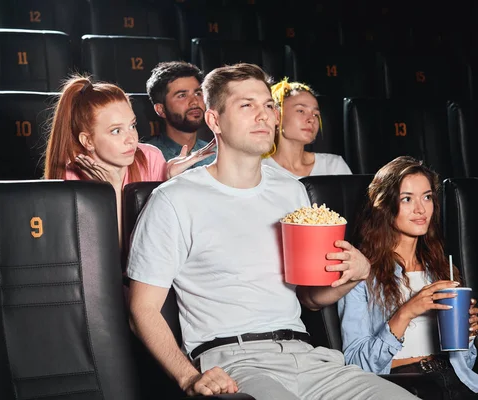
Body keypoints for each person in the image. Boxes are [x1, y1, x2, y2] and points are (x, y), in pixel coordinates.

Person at [127, 63, 416, 400]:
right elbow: (142, 310)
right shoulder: (174, 199)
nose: (263, 116)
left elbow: (309, 298)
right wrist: (189, 377)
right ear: (214, 120)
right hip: (233, 361)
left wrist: (353, 276)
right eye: (246, 105)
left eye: (268, 105)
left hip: (309, 357)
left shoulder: (291, 190)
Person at [338, 156, 478, 399]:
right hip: (404, 383)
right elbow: (356, 363)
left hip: (455, 379)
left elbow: (466, 361)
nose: (420, 209)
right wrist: (406, 312)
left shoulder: (443, 269)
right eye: (407, 199)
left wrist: (469, 335)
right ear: (383, 205)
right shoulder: (361, 274)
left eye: (427, 197)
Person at [44, 74, 213, 238]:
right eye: (116, 131)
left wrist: (169, 182)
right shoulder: (72, 174)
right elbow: (111, 255)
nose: (131, 139)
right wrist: (115, 190)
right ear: (87, 141)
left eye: (132, 125)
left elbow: (162, 241)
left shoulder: (151, 157)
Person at [262, 78, 351, 178]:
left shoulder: (333, 166)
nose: (311, 119)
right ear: (277, 116)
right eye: (301, 111)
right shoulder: (259, 170)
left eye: (315, 114)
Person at [146, 61, 216, 168]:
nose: (195, 102)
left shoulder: (216, 156)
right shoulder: (146, 158)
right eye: (182, 95)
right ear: (161, 109)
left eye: (198, 93)